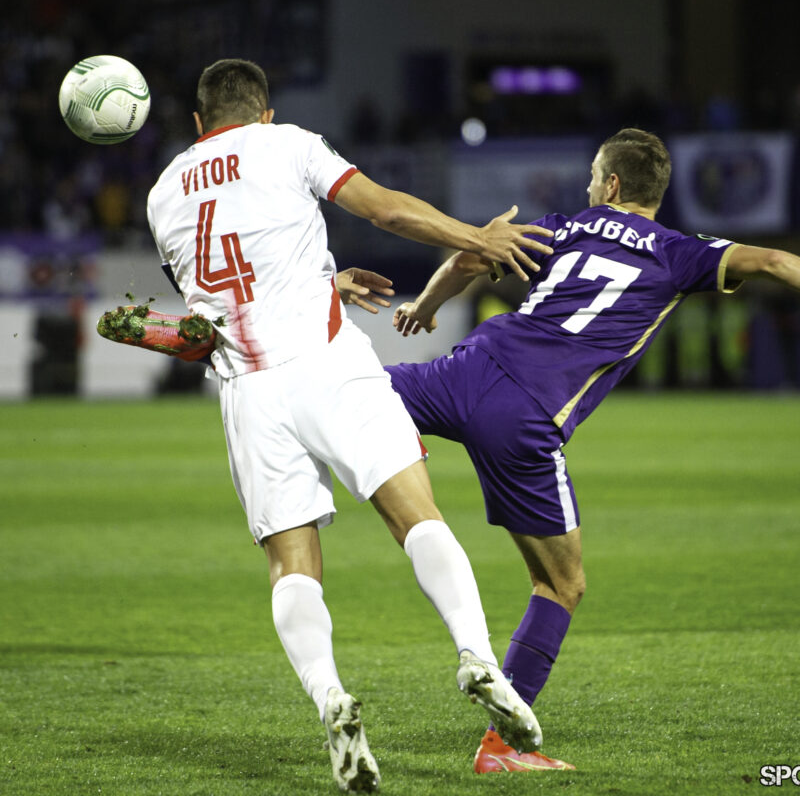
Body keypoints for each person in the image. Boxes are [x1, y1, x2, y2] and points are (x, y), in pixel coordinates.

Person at [142, 58, 556, 793]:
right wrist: (476, 240)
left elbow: (216, 318)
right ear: (262, 112)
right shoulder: (290, 143)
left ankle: (332, 697)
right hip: (330, 365)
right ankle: (477, 656)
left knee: (290, 563)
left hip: (249, 394)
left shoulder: (164, 191)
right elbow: (386, 210)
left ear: (201, 125)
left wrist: (317, 280)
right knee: (414, 513)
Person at [384, 127, 800, 774]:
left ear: (608, 186)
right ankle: (501, 751)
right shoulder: (680, 252)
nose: (586, 188)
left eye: (591, 179)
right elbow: (775, 262)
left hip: (464, 368)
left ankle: (263, 432)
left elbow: (469, 259)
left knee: (346, 394)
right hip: (526, 413)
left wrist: (424, 307)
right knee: (561, 582)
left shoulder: (565, 226)